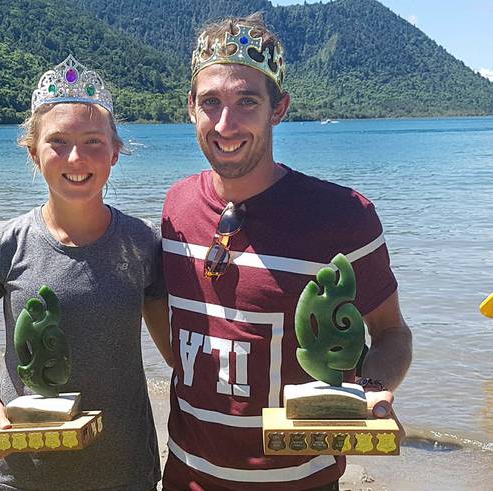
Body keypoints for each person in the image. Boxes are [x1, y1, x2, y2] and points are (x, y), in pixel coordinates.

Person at [161, 14, 412, 491]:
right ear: (190, 107)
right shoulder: (176, 207)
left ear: (279, 109)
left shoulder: (344, 215)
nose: (225, 123)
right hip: (184, 475)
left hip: (300, 481)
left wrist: (372, 392)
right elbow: (168, 317)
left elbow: (392, 333)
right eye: (210, 102)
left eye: (247, 102)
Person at [0, 54, 173, 491]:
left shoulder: (143, 243)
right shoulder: (3, 244)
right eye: (58, 142)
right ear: (33, 154)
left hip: (124, 467)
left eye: (93, 141)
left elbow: (176, 354)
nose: (76, 157)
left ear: (115, 153)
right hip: (24, 468)